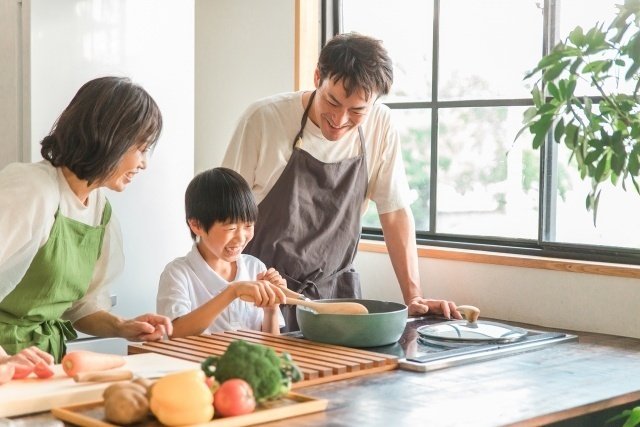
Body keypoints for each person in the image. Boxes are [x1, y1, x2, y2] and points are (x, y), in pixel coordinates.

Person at [222, 32, 462, 331]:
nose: (339, 119)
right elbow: (222, 218)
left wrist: (414, 297)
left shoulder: (381, 125)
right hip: (262, 296)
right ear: (317, 77)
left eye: (357, 111)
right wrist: (219, 298)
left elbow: (395, 212)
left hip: (336, 302)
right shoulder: (264, 119)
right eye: (331, 101)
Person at [0, 76, 173, 363]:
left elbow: (79, 306)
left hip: (41, 362)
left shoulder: (98, 208)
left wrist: (121, 326)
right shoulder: (31, 189)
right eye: (140, 149)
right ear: (110, 139)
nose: (144, 163)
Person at [156, 167, 287, 337]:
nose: (241, 238)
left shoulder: (255, 267)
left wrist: (271, 309)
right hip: (198, 364)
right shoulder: (178, 273)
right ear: (196, 225)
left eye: (248, 226)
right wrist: (232, 292)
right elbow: (175, 333)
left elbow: (271, 348)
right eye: (231, 228)